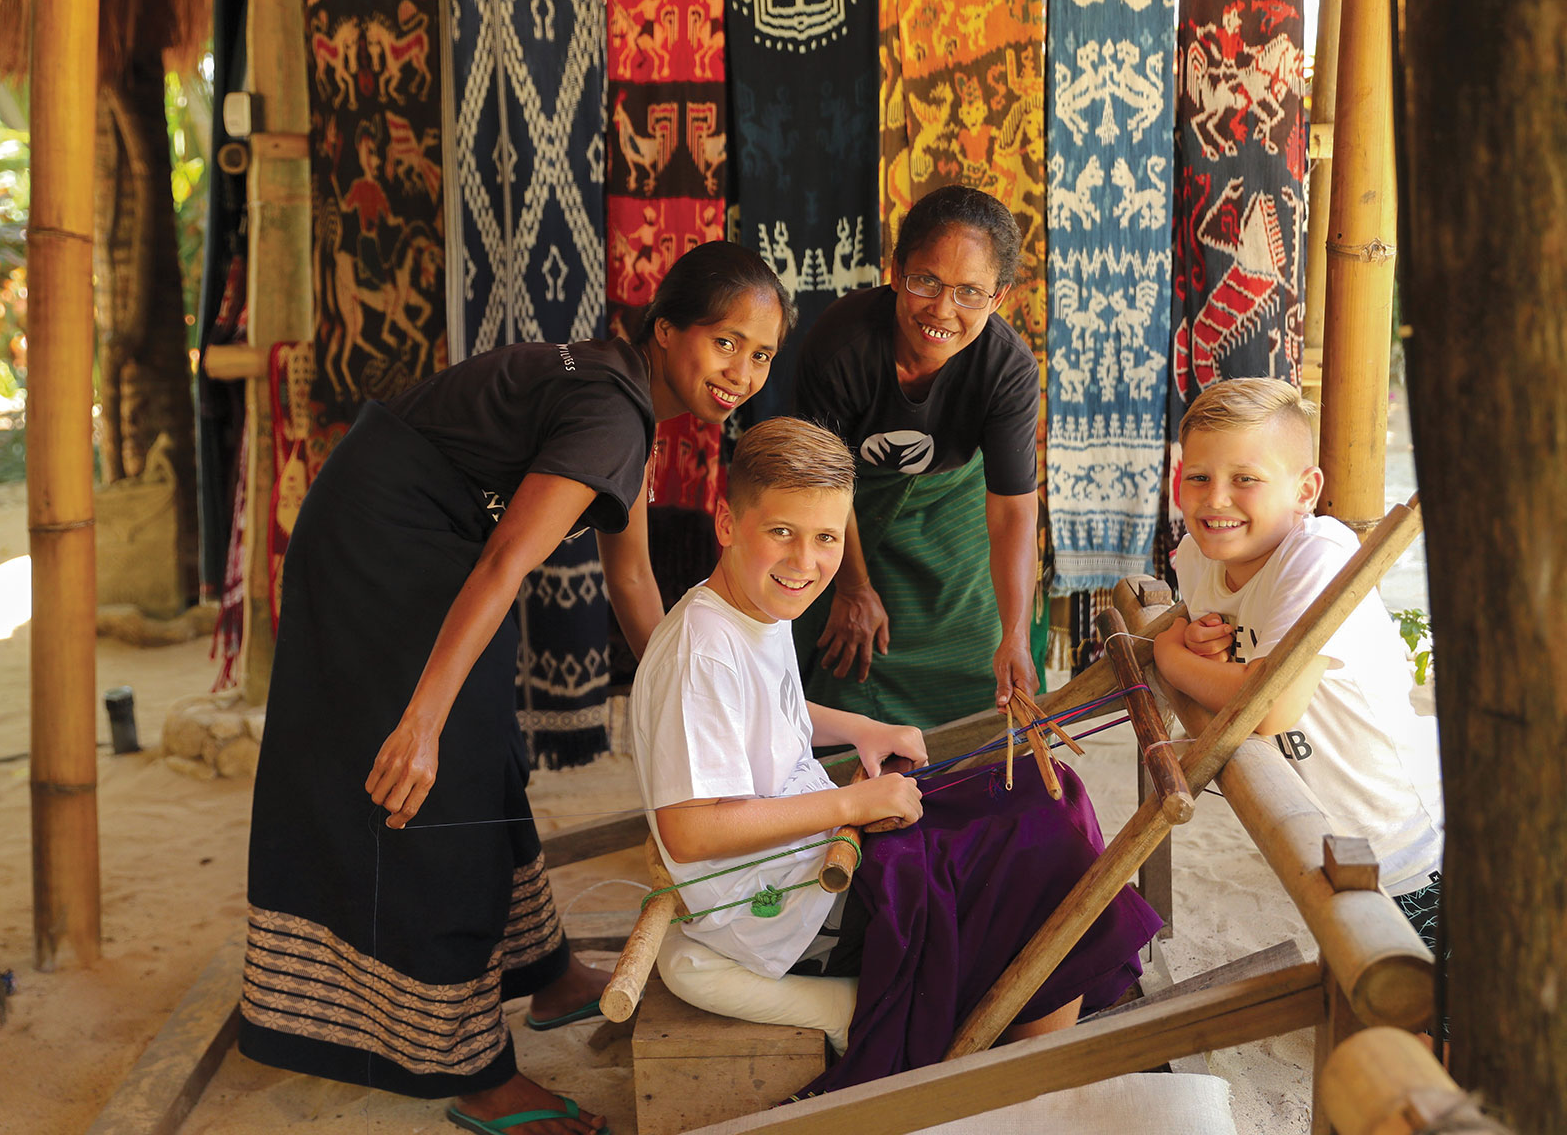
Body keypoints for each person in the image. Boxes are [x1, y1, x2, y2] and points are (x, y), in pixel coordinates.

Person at [238, 242, 793, 1135]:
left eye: (761, 355)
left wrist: (683, 718)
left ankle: (546, 974)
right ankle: (473, 1072)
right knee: (440, 772)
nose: (742, 373)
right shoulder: (614, 413)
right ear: (666, 333)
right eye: (725, 343)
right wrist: (420, 722)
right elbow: (505, 561)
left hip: (415, 532)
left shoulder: (625, 401)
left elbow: (633, 583)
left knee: (489, 737)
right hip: (378, 545)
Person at [629, 417, 1162, 1093]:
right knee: (1042, 854)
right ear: (728, 523)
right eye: (782, 533)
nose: (804, 562)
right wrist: (854, 800)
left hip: (815, 850)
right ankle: (1029, 1082)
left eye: (826, 538)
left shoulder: (750, 609)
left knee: (1047, 790)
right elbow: (690, 828)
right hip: (788, 912)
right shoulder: (701, 652)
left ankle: (1035, 1027)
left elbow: (770, 714)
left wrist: (860, 729)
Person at [1152, 378, 1444, 947]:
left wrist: (1167, 652)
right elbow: (1207, 631)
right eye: (1199, 477)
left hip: (1409, 843)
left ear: (1306, 489)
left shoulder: (1318, 553)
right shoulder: (1196, 555)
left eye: (1246, 480)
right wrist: (1193, 637)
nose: (1215, 499)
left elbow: (1271, 707)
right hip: (1331, 837)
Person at [792, 185, 1042, 730]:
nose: (942, 310)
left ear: (998, 298)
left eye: (970, 293)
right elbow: (823, 482)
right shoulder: (841, 345)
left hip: (953, 515)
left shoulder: (1009, 370)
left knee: (986, 656)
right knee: (843, 654)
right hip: (843, 511)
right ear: (896, 270)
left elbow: (1012, 511)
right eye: (926, 281)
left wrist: (1014, 634)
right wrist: (853, 587)